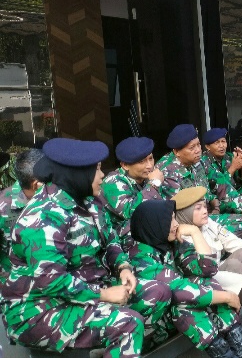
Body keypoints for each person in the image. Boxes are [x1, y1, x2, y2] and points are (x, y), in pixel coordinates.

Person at [2, 138, 171, 356]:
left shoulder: (89, 200)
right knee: (128, 325)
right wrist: (105, 294)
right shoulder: (43, 217)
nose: (102, 176)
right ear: (77, 175)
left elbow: (110, 239)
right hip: (39, 309)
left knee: (159, 292)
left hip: (85, 287)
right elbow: (51, 283)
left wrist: (123, 267)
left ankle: (109, 349)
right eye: (97, 170)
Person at [129, 200, 242, 358]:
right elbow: (179, 290)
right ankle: (225, 354)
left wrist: (195, 232)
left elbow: (209, 269)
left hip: (174, 313)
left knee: (206, 282)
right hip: (154, 326)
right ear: (154, 225)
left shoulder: (170, 244)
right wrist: (227, 296)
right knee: (183, 303)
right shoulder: (140, 258)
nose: (176, 225)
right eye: (170, 220)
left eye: (175, 218)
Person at [172, 186, 242, 332]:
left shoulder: (208, 224)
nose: (205, 211)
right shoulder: (182, 238)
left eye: (205, 206)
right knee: (233, 265)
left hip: (218, 277)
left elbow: (239, 244)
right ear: (185, 214)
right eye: (198, 209)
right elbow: (207, 274)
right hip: (201, 287)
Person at [157, 124, 242, 241]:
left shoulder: (198, 162)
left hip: (207, 215)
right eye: (192, 148)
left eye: (198, 145)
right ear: (177, 151)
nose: (198, 150)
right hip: (187, 225)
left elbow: (221, 184)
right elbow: (180, 213)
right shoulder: (167, 170)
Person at [102, 136, 164, 249]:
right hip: (123, 243)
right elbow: (131, 213)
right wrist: (154, 184)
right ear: (125, 165)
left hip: (148, 233)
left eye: (150, 158)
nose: (149, 165)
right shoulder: (113, 181)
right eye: (141, 161)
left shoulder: (147, 177)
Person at [0, 148, 44, 280]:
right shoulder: (3, 207)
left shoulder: (55, 198)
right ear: (37, 184)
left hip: (52, 276)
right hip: (14, 285)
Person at [201, 128, 242, 194]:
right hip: (221, 200)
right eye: (217, 143)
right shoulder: (203, 162)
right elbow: (218, 190)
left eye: (223, 141)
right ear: (208, 147)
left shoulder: (230, 157)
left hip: (237, 194)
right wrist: (233, 168)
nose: (221, 146)